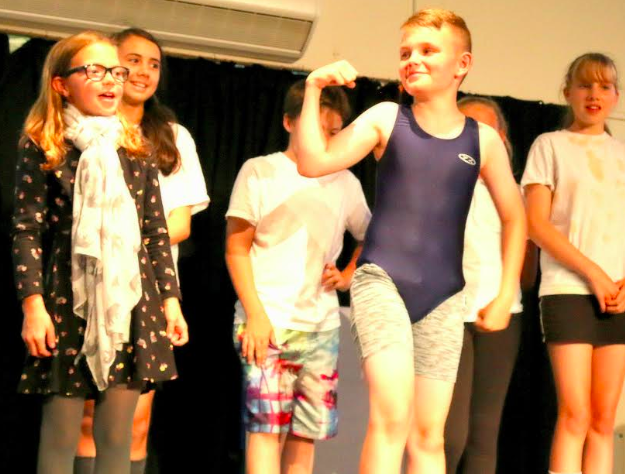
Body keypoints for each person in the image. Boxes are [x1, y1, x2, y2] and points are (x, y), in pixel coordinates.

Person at [295, 8, 527, 474]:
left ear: (462, 64)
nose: (412, 59)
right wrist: (314, 87)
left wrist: (505, 294)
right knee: (392, 418)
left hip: (444, 294)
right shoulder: (387, 118)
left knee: (429, 435)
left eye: (427, 50)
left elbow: (516, 216)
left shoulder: (482, 140)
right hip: (382, 280)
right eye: (405, 53)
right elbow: (312, 162)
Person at [12, 30, 187, 474]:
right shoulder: (45, 144)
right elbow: (27, 230)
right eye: (94, 70)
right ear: (61, 84)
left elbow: (154, 232)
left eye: (116, 71)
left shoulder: (136, 148)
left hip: (130, 302)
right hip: (67, 299)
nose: (110, 80)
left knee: (116, 437)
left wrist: (170, 301)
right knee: (61, 435)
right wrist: (33, 306)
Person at [73, 27, 210, 474]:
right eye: (133, 60)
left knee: (135, 421)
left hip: (149, 288)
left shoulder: (172, 136)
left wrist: (127, 242)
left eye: (154, 64)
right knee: (87, 418)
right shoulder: (84, 130)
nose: (143, 72)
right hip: (90, 284)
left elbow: (180, 224)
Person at [225, 79, 370, 474]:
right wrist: (256, 315)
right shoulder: (261, 171)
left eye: (334, 132)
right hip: (267, 320)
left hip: (320, 325)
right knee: (265, 429)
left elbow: (370, 234)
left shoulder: (345, 181)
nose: (326, 139)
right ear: (291, 123)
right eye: (319, 129)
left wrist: (346, 275)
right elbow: (236, 248)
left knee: (305, 434)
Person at [522, 52, 625, 474]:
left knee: (603, 419)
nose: (594, 94)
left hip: (620, 294)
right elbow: (536, 224)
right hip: (568, 290)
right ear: (568, 93)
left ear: (616, 97)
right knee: (574, 415)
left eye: (604, 86)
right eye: (585, 85)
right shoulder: (550, 145)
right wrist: (593, 272)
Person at [443, 96, 530, 474]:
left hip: (500, 315)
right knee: (449, 435)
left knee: (484, 434)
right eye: (466, 127)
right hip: (447, 315)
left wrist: (505, 298)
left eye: (485, 129)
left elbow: (525, 259)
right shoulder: (438, 183)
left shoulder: (515, 193)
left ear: (502, 138)